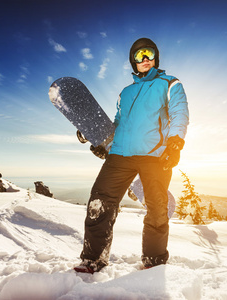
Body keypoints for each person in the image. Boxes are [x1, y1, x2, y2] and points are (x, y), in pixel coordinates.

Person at [74, 37, 189, 273]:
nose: (145, 59)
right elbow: (118, 123)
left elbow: (179, 112)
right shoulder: (124, 93)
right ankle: (93, 258)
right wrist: (100, 141)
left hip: (155, 155)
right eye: (139, 55)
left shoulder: (170, 83)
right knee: (100, 202)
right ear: (133, 62)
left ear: (156, 57)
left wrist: (175, 142)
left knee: (157, 208)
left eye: (149, 54)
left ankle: (154, 260)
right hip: (120, 155)